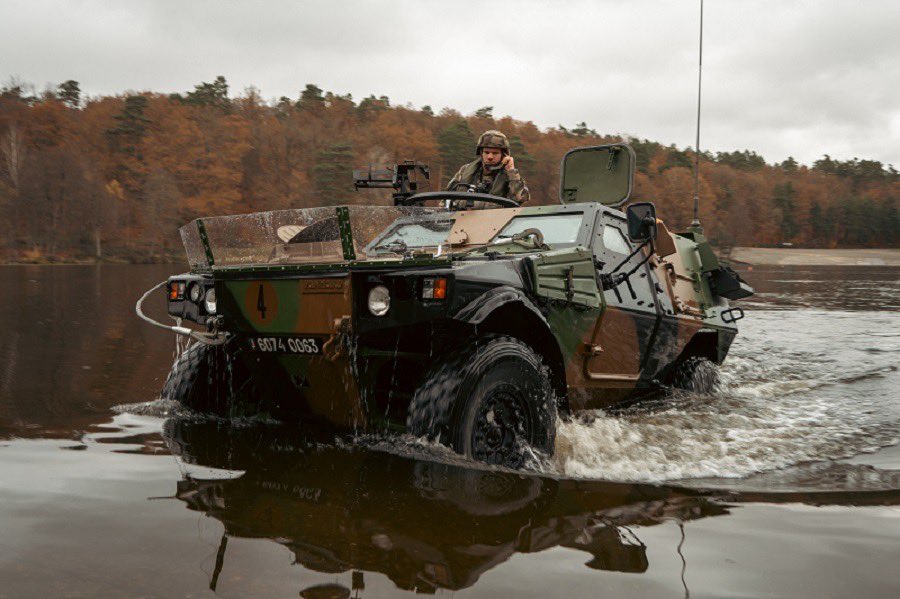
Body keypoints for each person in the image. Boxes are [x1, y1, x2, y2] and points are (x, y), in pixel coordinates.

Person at [446, 130, 530, 205]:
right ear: (481, 153)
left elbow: (521, 199)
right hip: (464, 216)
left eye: (495, 153)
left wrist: (511, 171)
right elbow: (447, 197)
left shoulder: (511, 176)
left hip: (497, 217)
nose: (490, 157)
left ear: (504, 155)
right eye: (486, 152)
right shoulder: (465, 171)